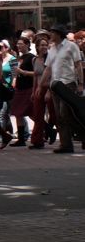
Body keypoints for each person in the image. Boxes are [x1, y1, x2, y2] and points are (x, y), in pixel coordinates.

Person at [37, 23, 84, 153]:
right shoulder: (52, 49)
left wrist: (80, 83)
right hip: (55, 85)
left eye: (52, 32)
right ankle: (65, 144)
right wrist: (41, 86)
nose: (50, 35)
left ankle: (82, 135)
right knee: (59, 116)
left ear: (59, 34)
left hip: (68, 83)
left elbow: (78, 65)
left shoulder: (71, 46)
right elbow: (48, 68)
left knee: (66, 113)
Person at [9, 37, 35, 147]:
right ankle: (21, 138)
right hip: (18, 89)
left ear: (27, 45)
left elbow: (36, 73)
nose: (19, 46)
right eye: (18, 44)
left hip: (28, 88)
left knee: (31, 113)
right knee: (17, 113)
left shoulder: (32, 58)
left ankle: (47, 130)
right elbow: (15, 74)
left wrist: (23, 72)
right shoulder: (17, 58)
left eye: (21, 44)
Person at [29, 38, 55, 149]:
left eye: (46, 45)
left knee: (54, 114)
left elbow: (52, 75)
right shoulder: (34, 60)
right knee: (37, 114)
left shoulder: (50, 59)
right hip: (38, 88)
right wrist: (33, 91)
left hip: (49, 87)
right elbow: (36, 76)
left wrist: (49, 90)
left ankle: (64, 137)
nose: (44, 47)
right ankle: (37, 140)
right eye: (42, 45)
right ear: (37, 47)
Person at [0, 39, 16, 135]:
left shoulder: (13, 59)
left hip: (9, 89)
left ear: (7, 48)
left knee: (13, 111)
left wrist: (13, 87)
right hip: (1, 89)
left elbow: (15, 75)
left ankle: (25, 131)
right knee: (2, 113)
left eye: (1, 47)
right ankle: (3, 134)